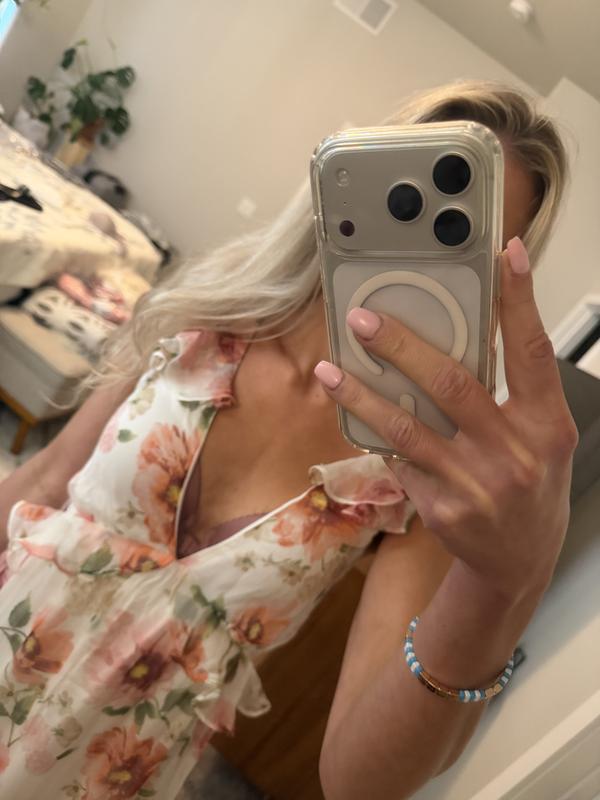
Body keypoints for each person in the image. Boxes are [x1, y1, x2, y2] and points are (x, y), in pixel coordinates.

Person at [0, 79, 576, 800]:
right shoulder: (210, 313)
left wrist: (502, 585)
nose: (416, 253)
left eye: (459, 239)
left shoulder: (420, 471)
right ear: (347, 187)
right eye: (408, 204)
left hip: (104, 773)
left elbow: (357, 783)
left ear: (491, 283)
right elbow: (43, 478)